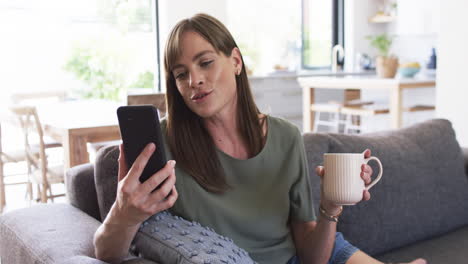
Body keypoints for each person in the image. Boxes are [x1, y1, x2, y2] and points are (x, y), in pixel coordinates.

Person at [94, 13, 427, 264]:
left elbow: (311, 254)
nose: (194, 79)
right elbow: (106, 252)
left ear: (236, 61)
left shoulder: (285, 137)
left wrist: (329, 207)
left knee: (336, 245)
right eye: (181, 74)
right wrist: (124, 212)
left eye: (205, 63)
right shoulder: (160, 145)